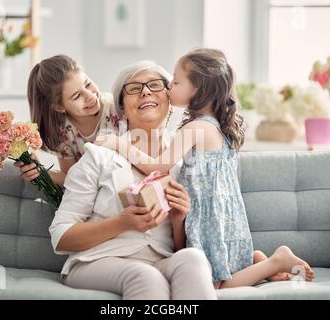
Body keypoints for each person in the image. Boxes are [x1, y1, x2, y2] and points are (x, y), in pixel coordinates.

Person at [96, 48, 315, 289]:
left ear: (198, 89)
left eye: (176, 82)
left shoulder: (195, 129)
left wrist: (119, 144)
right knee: (219, 267)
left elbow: (157, 166)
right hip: (223, 209)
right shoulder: (217, 126)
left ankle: (275, 262)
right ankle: (256, 261)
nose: (169, 88)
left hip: (207, 211)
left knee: (215, 285)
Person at [48, 60, 217, 300]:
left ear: (169, 103)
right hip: (97, 261)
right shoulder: (99, 156)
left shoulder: (186, 164)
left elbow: (180, 247)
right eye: (134, 88)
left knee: (193, 259)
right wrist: (121, 223)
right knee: (145, 276)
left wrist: (179, 220)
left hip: (160, 261)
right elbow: (61, 236)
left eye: (155, 85)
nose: (146, 91)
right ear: (122, 110)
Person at [14, 54, 121, 186]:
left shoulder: (117, 108)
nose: (90, 96)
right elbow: (71, 178)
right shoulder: (62, 132)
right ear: (59, 107)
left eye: (87, 84)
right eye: (77, 96)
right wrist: (40, 172)